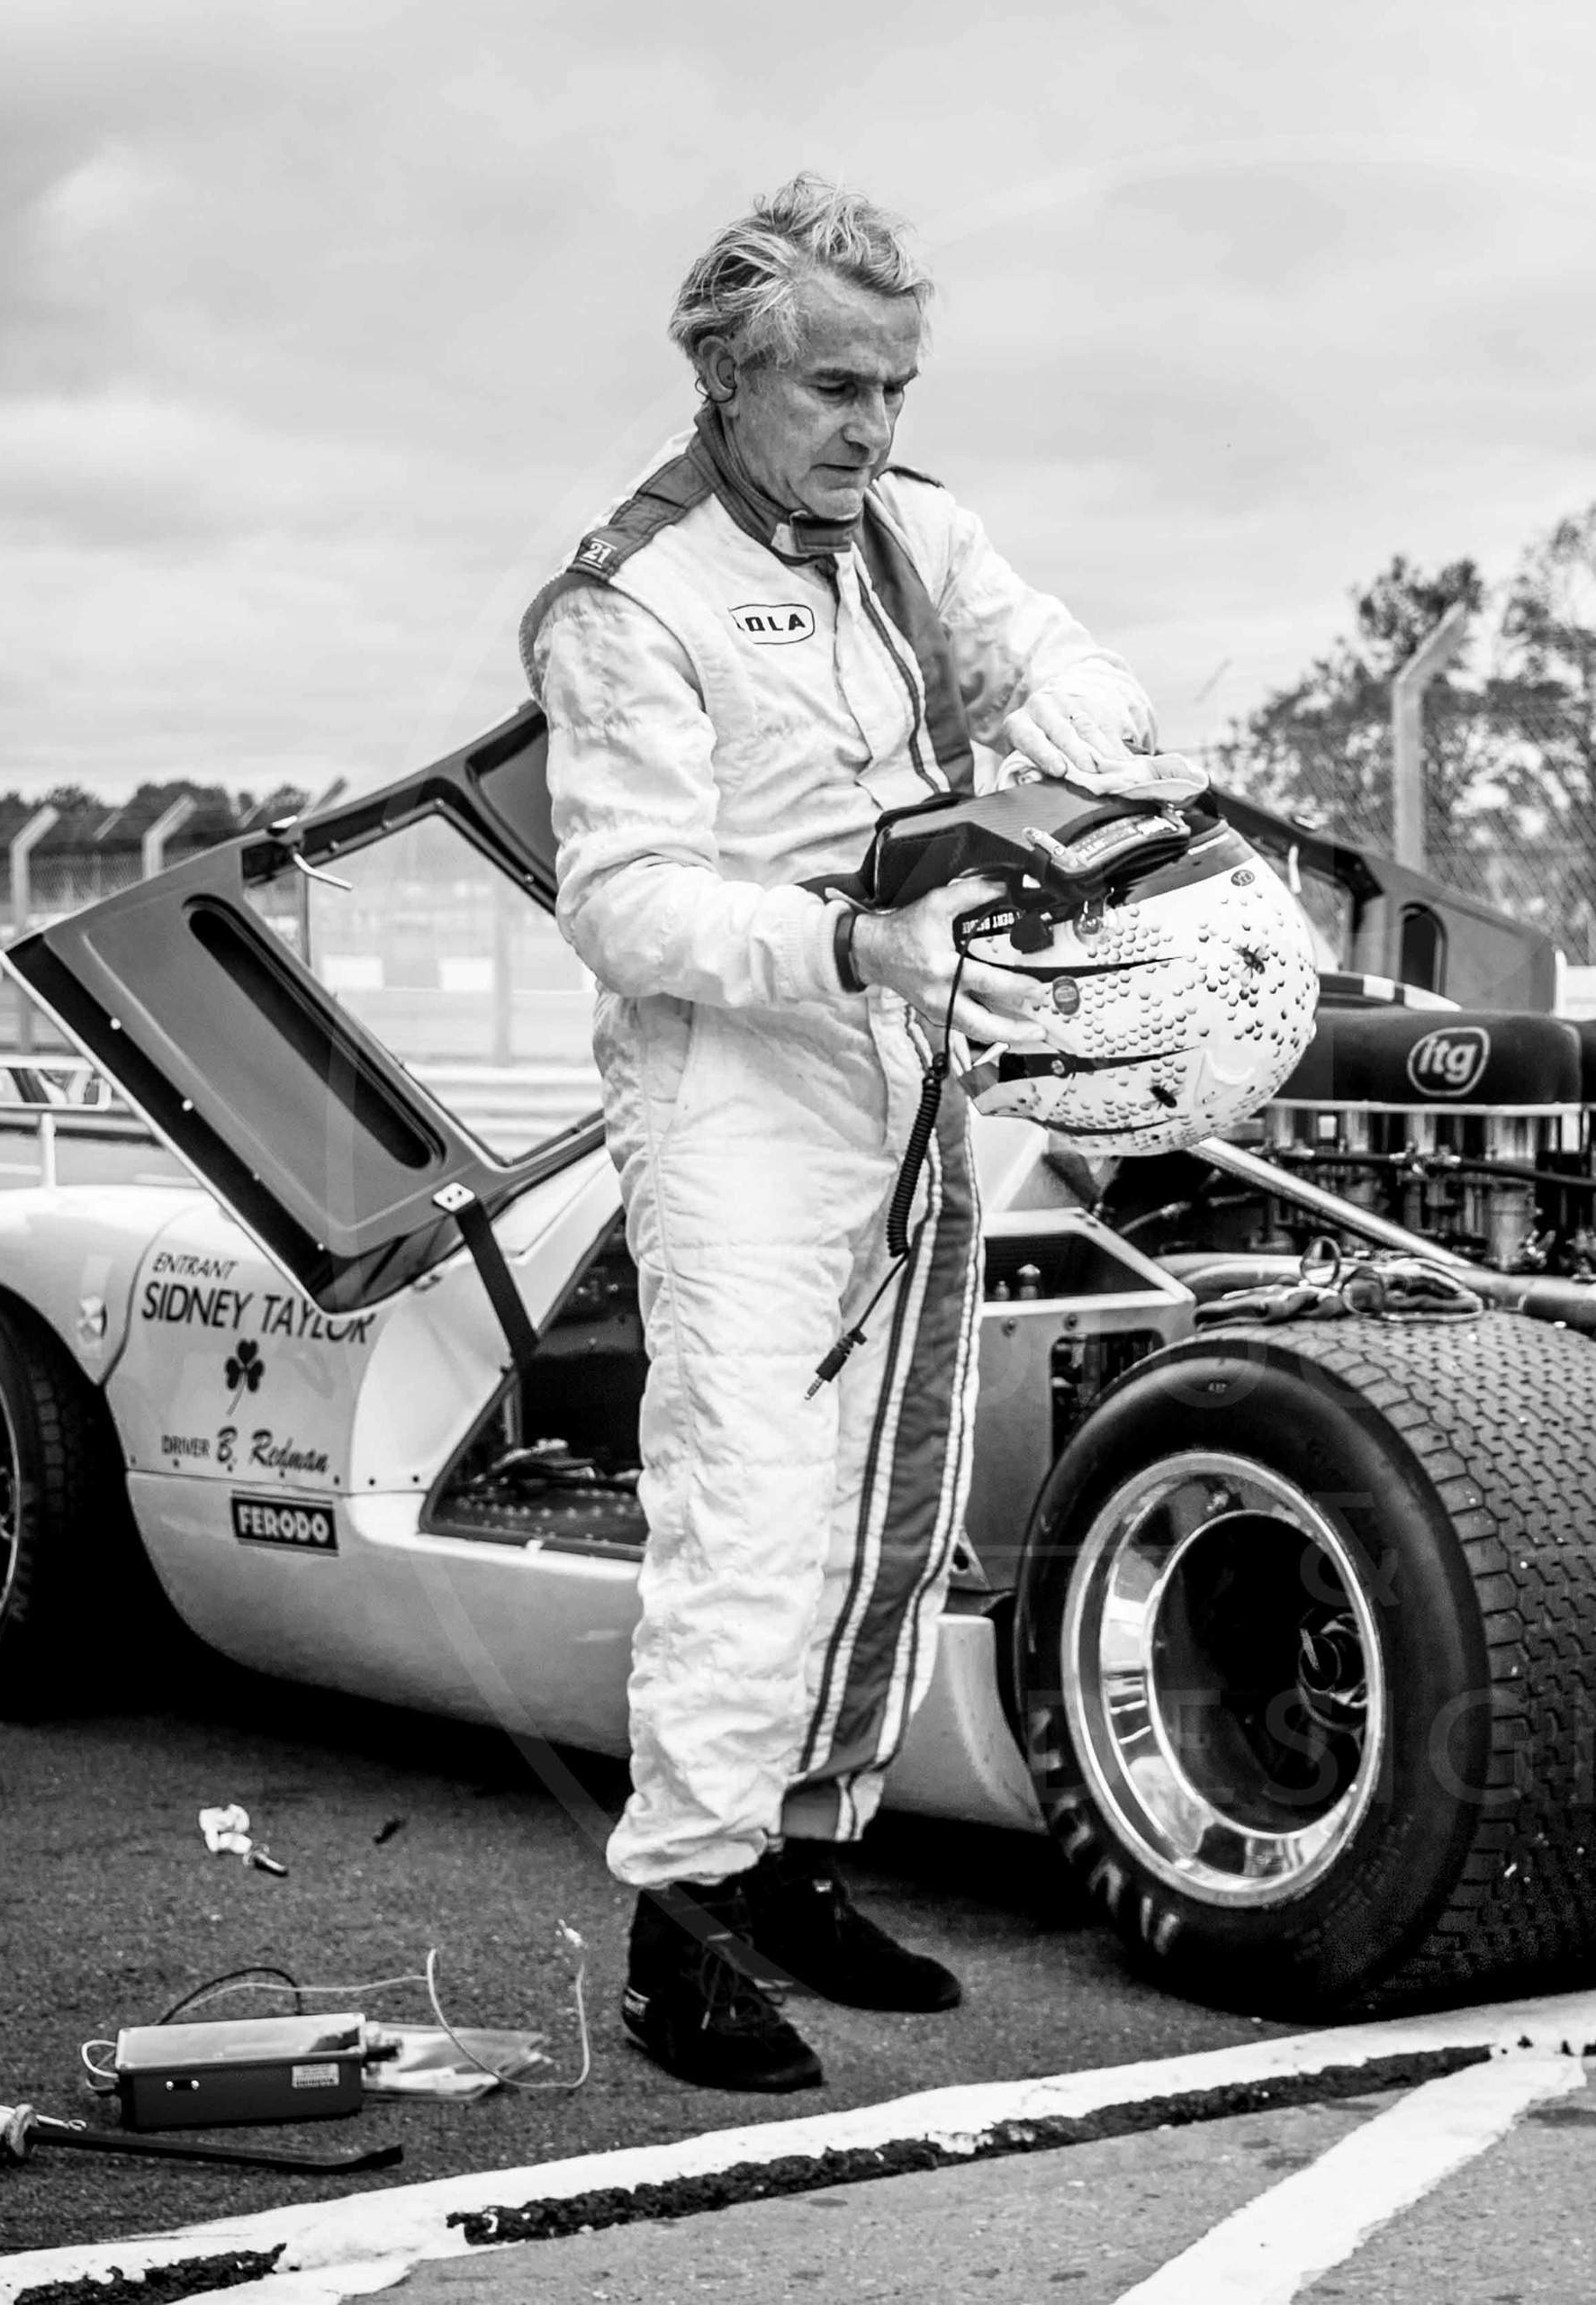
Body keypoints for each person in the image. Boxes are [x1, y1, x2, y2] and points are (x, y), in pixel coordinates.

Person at [524, 175, 1167, 2092]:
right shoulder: (624, 599)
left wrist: (1085, 733)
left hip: (911, 1053)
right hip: (731, 1078)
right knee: (756, 1501)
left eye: (894, 381)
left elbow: (1055, 659)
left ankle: (809, 1849)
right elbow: (624, 901)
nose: (869, 422)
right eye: (830, 385)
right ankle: (682, 1918)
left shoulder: (913, 529)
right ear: (728, 378)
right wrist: (847, 939)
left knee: (895, 1490)